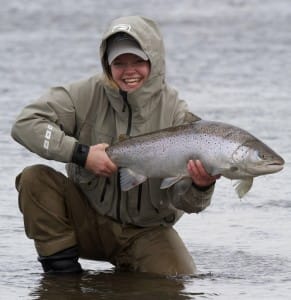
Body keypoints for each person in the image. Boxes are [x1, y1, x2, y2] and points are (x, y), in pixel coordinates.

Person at [11, 15, 220, 275]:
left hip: (147, 234)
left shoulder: (177, 115)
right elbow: (25, 124)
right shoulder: (83, 94)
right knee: (34, 178)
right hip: (86, 222)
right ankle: (62, 277)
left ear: (153, 62)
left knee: (178, 281)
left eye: (138, 61)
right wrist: (81, 154)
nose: (129, 70)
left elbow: (189, 203)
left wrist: (202, 185)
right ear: (107, 65)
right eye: (119, 62)